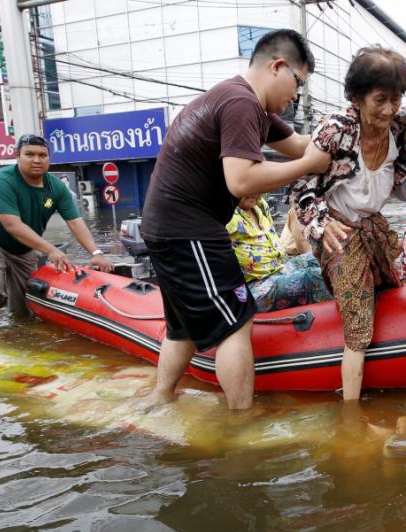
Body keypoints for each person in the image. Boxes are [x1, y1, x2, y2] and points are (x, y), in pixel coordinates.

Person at [140, 29, 330, 410]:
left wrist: (344, 138)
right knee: (236, 321)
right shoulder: (241, 102)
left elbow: (298, 144)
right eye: (298, 83)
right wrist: (307, 166)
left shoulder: (252, 107)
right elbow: (241, 179)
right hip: (188, 228)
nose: (297, 95)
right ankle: (240, 420)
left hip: (168, 226)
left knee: (182, 327)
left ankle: (160, 399)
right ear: (277, 67)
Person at [288, 45, 406, 400]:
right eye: (380, 100)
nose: (389, 109)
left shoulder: (400, 122)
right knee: (358, 329)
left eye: (395, 98)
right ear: (356, 98)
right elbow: (300, 186)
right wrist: (321, 224)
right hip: (339, 231)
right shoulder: (336, 130)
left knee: (396, 286)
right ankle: (352, 419)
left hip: (375, 226)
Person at [0, 134, 113, 342]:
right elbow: (12, 225)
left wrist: (96, 253)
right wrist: (50, 249)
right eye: (30, 154)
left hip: (23, 249)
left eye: (42, 155)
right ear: (17, 156)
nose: (37, 160)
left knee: (28, 303)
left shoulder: (57, 188)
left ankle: (21, 337)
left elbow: (75, 222)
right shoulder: (1, 180)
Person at [226, 194, 331, 312]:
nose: (254, 192)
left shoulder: (260, 206)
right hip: (252, 289)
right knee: (314, 277)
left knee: (320, 258)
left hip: (279, 269)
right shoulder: (225, 213)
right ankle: (343, 320)